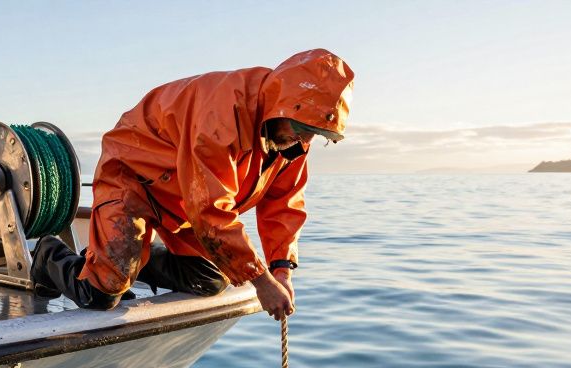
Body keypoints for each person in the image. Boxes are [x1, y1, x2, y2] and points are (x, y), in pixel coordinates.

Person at [30, 49, 354, 321]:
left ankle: (126, 257)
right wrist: (262, 281)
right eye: (301, 128)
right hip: (132, 177)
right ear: (281, 106)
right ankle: (49, 255)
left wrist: (281, 268)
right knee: (102, 294)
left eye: (316, 134)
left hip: (180, 201)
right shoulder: (222, 113)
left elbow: (284, 205)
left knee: (210, 279)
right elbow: (210, 210)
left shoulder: (290, 142)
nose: (305, 140)